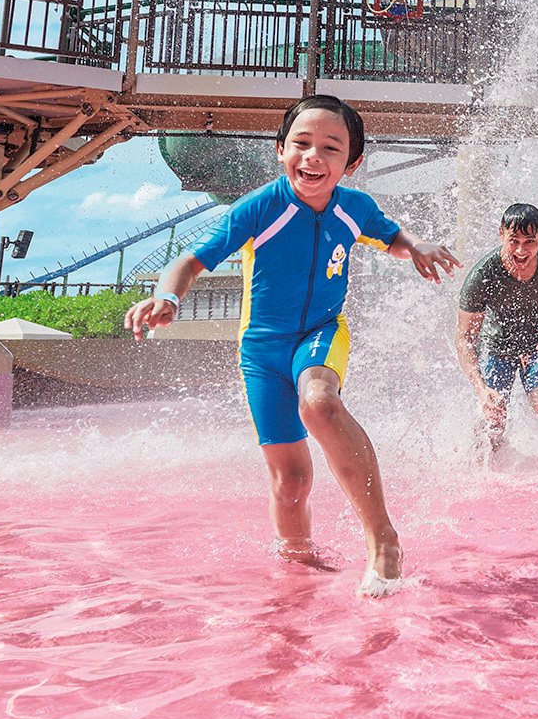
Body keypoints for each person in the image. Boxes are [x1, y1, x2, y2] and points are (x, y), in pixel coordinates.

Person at [126, 94, 457, 593]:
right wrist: (167, 297)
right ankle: (298, 572)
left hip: (322, 332)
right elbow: (190, 262)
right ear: (281, 150)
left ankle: (383, 538)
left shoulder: (355, 207)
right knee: (291, 482)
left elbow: (392, 237)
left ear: (352, 162)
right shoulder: (259, 208)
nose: (313, 157)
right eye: (301, 144)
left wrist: (417, 246)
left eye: (330, 147)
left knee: (320, 404)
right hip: (261, 352)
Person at [456, 201, 538, 461]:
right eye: (513, 241)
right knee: (491, 426)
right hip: (496, 346)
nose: (521, 251)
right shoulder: (482, 276)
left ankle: (531, 385)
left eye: (530, 242)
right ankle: (487, 467)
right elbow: (464, 339)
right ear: (501, 234)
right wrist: (481, 390)